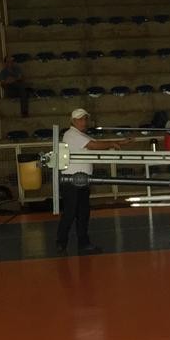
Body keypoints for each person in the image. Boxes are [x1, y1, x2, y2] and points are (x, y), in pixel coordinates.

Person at [58, 108, 125, 255]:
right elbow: (94, 146)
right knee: (71, 212)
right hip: (72, 180)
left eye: (85, 119)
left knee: (82, 212)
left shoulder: (79, 135)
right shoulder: (71, 135)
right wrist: (112, 144)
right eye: (81, 119)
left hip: (80, 180)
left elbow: (96, 143)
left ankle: (81, 243)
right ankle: (62, 242)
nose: (84, 122)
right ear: (73, 121)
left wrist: (115, 142)